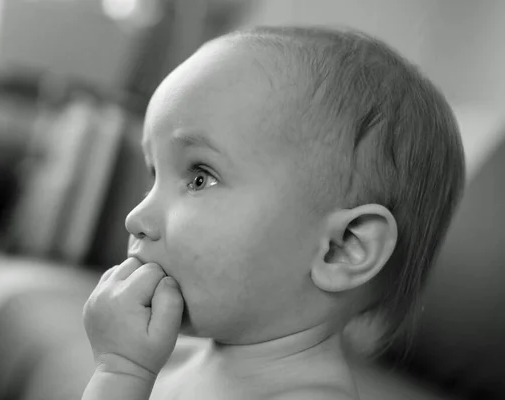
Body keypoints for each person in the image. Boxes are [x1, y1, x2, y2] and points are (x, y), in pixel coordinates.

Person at [81, 25, 466, 400]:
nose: (136, 218)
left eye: (200, 178)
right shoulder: (180, 359)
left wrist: (121, 372)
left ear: (342, 248)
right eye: (153, 174)